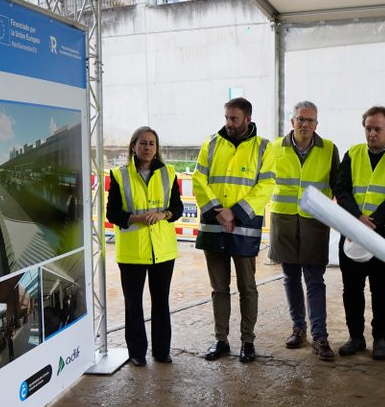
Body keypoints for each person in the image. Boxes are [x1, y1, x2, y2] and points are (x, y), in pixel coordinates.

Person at [192, 97, 276, 362]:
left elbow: (266, 185)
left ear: (247, 119)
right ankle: (221, 340)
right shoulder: (212, 143)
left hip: (243, 227)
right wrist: (219, 210)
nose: (228, 123)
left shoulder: (264, 147)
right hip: (215, 225)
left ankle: (247, 342)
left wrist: (235, 212)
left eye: (234, 119)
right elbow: (198, 179)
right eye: (226, 117)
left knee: (248, 288)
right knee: (219, 288)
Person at [334, 106, 385, 360]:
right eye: (368, 128)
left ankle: (380, 338)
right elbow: (342, 188)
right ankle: (355, 337)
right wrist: (358, 219)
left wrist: (374, 221)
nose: (372, 134)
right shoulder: (353, 154)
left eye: (377, 129)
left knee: (381, 290)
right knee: (352, 289)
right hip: (352, 232)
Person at [106, 126, 183, 367]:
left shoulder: (169, 173)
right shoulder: (119, 175)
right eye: (142, 143)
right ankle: (137, 352)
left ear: (156, 148)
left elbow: (178, 209)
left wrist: (163, 214)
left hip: (162, 251)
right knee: (133, 304)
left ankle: (162, 351)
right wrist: (137, 218)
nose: (147, 147)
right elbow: (112, 213)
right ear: (133, 146)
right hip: (131, 252)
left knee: (161, 302)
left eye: (151, 143)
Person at [269, 101, 340, 361]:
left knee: (314, 279)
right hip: (284, 220)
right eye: (300, 119)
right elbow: (264, 181)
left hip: (314, 221)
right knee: (289, 277)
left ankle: (320, 336)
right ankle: (298, 328)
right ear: (292, 122)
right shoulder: (275, 147)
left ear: (317, 124)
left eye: (310, 120)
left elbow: (337, 186)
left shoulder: (329, 149)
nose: (305, 124)